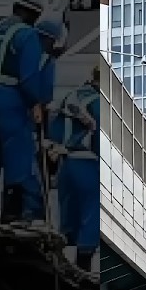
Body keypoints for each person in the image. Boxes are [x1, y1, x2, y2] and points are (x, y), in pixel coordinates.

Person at [0, 0, 47, 223]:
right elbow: (28, 77)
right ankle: (12, 211)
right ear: (34, 14)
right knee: (17, 152)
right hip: (9, 98)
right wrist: (36, 102)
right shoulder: (27, 35)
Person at [46, 70, 100, 264]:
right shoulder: (98, 102)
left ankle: (62, 264)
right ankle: (82, 270)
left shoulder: (71, 96)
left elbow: (53, 129)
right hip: (89, 165)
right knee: (91, 218)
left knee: (69, 221)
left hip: (67, 164)